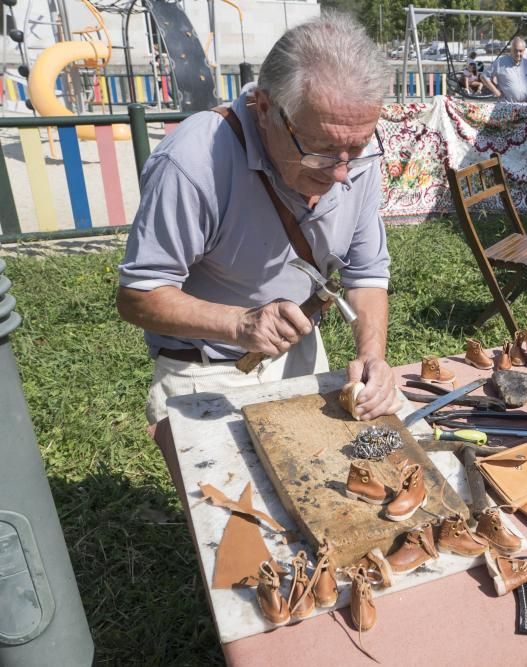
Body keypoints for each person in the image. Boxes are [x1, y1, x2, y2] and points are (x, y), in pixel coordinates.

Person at [117, 14, 398, 485]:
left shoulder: (350, 152)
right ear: (265, 107)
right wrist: (239, 323)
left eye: (358, 147)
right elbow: (138, 295)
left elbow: (367, 275)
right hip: (207, 375)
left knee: (322, 494)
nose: (342, 174)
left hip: (303, 353)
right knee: (236, 531)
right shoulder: (192, 161)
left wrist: (373, 358)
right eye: (321, 149)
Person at [482, 37, 527, 102]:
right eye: (515, 50)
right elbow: (484, 76)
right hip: (507, 106)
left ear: (524, 51)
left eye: (520, 51)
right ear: (511, 50)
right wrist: (496, 92)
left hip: (524, 105)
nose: (518, 54)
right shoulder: (500, 62)